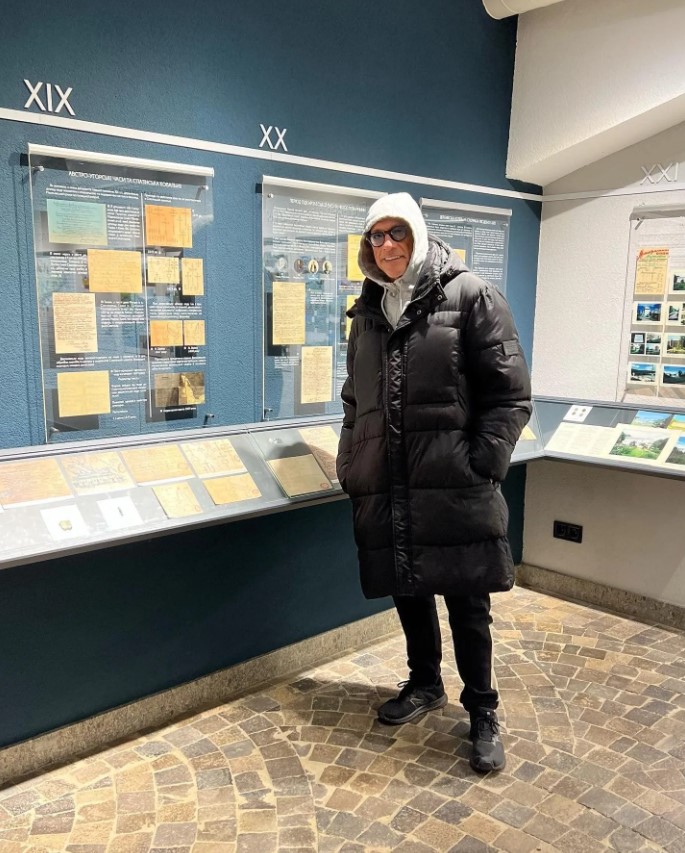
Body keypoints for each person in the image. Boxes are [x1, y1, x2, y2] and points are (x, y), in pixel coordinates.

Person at [336, 192, 531, 773]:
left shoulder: (471, 296)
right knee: (409, 587)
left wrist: (481, 464)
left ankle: (483, 711)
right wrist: (353, 460)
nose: (387, 245)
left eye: (397, 232)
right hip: (389, 482)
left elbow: (509, 395)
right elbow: (354, 400)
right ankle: (425, 683)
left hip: (454, 482)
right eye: (376, 236)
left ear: (418, 234)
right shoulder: (368, 312)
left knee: (468, 601)